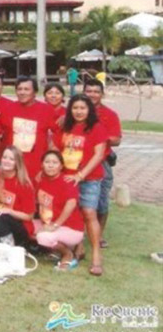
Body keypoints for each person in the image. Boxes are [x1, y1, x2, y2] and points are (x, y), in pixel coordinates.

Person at [54, 95, 108, 276]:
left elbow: (99, 154)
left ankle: (96, 256)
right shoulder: (65, 127)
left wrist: (81, 175)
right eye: (75, 108)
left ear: (89, 110)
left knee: (89, 212)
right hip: (66, 178)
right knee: (72, 213)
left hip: (89, 178)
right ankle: (78, 247)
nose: (78, 111)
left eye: (82, 108)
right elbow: (56, 149)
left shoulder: (96, 127)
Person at [84, 79, 121, 249]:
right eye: (89, 91)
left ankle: (98, 235)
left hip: (101, 161)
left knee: (102, 200)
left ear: (102, 94)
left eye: (96, 91)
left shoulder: (109, 114)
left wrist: (98, 137)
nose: (92, 94)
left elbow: (116, 140)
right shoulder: (77, 110)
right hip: (77, 161)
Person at [34, 151, 85, 271]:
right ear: (42, 165)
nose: (50, 165)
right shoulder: (40, 180)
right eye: (47, 162)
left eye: (54, 162)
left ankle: (68, 253)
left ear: (61, 166)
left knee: (43, 237)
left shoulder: (68, 181)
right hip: (48, 223)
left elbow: (71, 204)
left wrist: (55, 225)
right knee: (26, 227)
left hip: (70, 228)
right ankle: (55, 250)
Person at [0, 76, 57, 178]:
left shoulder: (46, 110)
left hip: (36, 165)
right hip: (12, 164)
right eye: (19, 89)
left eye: (26, 89)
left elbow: (59, 132)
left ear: (35, 92)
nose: (22, 92)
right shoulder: (7, 109)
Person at [0, 146, 36, 247]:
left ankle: (9, 249)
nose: (7, 161)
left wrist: (9, 211)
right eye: (5, 157)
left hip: (19, 227)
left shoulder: (24, 184)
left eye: (11, 159)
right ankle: (3, 245)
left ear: (17, 163)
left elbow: (29, 216)